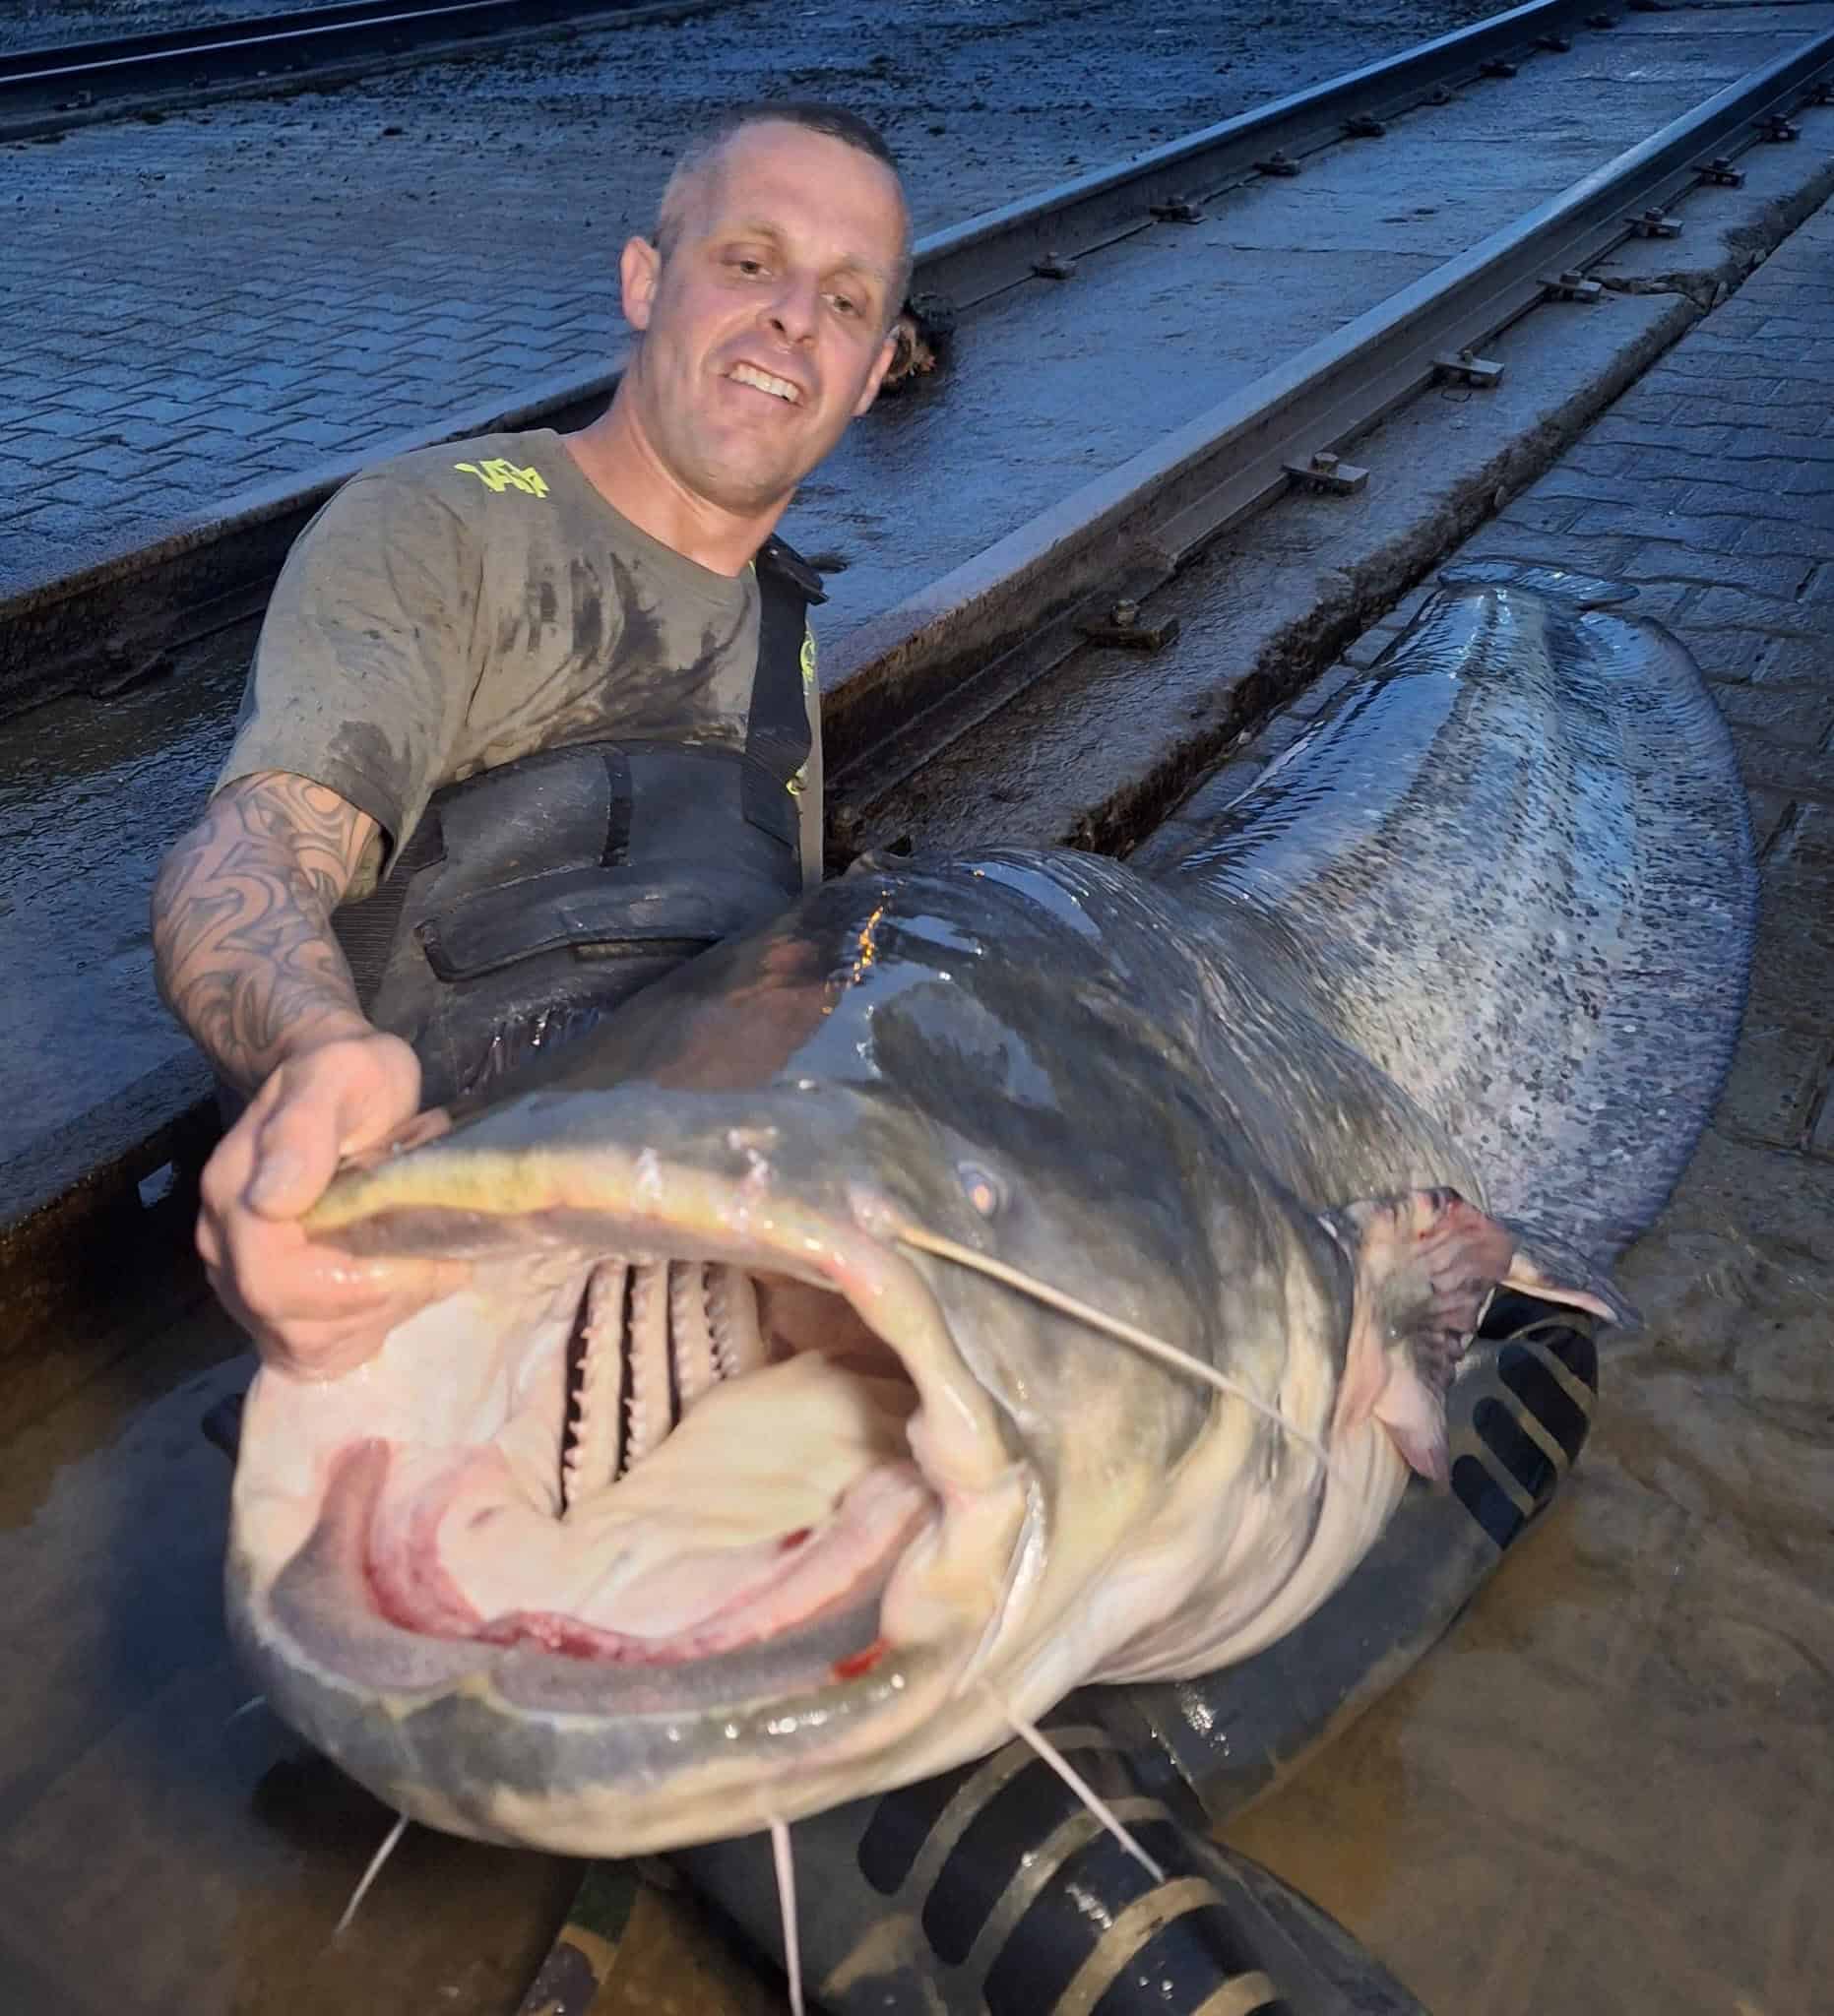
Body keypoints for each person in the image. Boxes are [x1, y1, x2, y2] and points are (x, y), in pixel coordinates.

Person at [151, 101, 913, 1385]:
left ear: (878, 369)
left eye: (846, 300)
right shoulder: (443, 527)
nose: (796, 316)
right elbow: (257, 848)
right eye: (749, 261)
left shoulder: (782, 616)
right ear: (644, 280)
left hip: (684, 1288)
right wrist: (315, 1056)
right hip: (446, 1293)